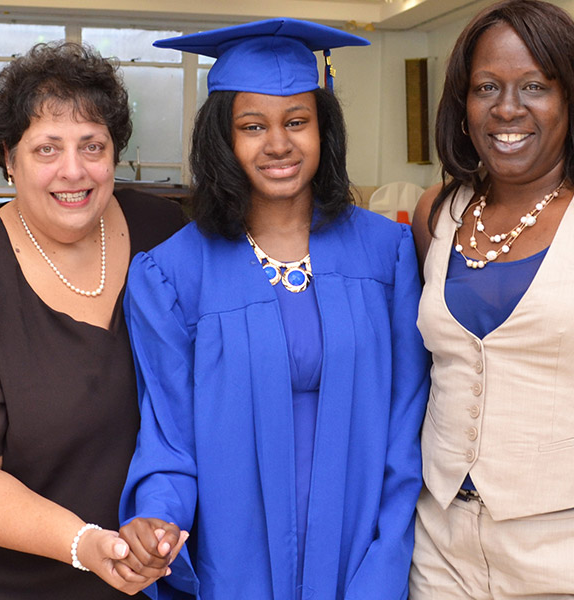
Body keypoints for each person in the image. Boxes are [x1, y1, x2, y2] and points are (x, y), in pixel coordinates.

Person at [118, 18, 430, 600]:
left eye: (297, 122)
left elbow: (405, 428)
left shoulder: (386, 255)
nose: (279, 144)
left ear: (323, 130)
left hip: (363, 559)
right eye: (252, 126)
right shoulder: (172, 275)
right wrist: (157, 520)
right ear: (223, 139)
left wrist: (386, 562)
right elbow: (168, 437)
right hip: (234, 564)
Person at [0, 41, 187, 599]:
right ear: (9, 158)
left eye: (91, 146)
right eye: (46, 149)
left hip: (129, 565)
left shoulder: (162, 234)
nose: (72, 171)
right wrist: (84, 543)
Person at [409, 1, 574, 597]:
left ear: (573, 97)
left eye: (534, 86)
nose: (507, 108)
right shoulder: (438, 212)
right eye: (486, 87)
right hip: (442, 544)